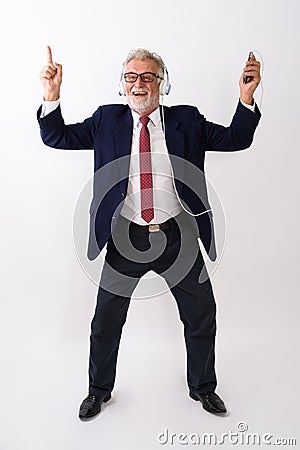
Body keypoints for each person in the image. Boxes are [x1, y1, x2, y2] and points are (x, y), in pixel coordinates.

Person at [38, 46, 261, 420]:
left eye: (147, 77)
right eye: (131, 77)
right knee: (106, 319)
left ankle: (203, 387)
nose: (138, 84)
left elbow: (236, 138)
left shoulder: (186, 121)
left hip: (179, 237)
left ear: (163, 83)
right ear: (122, 84)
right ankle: (98, 391)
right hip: (126, 238)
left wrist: (246, 97)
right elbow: (56, 137)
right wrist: (51, 95)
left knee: (201, 314)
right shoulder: (107, 120)